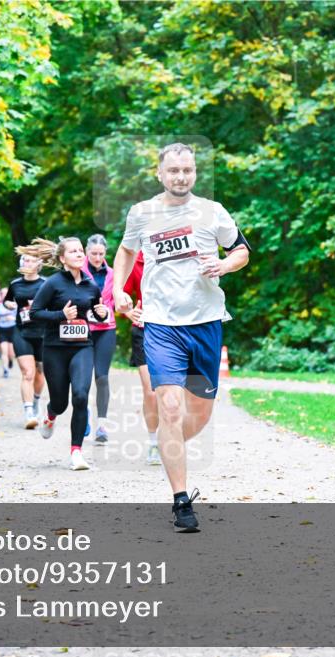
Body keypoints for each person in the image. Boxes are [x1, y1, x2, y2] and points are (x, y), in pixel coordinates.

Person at [112, 142, 251, 533]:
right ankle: (180, 500)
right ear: (160, 173)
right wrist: (119, 290)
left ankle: (169, 444)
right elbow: (124, 252)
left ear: (194, 172)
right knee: (169, 407)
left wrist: (224, 263)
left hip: (206, 322)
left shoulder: (212, 211)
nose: (180, 177)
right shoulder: (142, 213)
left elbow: (241, 251)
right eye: (173, 171)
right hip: (160, 325)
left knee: (199, 414)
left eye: (187, 170)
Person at [22, 237, 110, 471]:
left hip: (82, 346)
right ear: (62, 258)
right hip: (54, 349)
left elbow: (97, 313)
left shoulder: (91, 286)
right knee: (60, 403)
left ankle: (76, 453)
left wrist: (101, 313)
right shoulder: (52, 283)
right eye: (74, 251)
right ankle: (50, 415)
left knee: (81, 396)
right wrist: (61, 315)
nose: (80, 254)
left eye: (81, 250)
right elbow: (35, 313)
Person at [122, 250, 161, 465]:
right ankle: (154, 443)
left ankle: (172, 435)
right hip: (144, 329)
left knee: (174, 391)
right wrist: (128, 313)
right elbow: (120, 295)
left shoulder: (178, 252)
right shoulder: (135, 260)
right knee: (151, 392)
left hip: (174, 328)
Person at [82, 234, 117, 444]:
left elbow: (117, 298)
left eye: (101, 254)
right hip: (83, 330)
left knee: (102, 377)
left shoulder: (114, 273)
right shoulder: (77, 272)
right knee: (82, 377)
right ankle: (83, 415)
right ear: (87, 252)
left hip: (106, 329)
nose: (97, 257)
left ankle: (102, 425)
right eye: (93, 253)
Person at [4, 254, 47, 427]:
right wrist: (10, 305)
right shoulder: (15, 284)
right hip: (22, 331)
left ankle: (36, 401)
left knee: (40, 373)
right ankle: (29, 412)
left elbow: (57, 302)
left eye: (31, 260)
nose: (27, 263)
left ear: (39, 264)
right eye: (25, 260)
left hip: (43, 333)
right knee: (27, 372)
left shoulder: (46, 283)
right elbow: (7, 300)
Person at [0, 288, 16, 378]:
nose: (5, 295)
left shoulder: (15, 305)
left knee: (11, 353)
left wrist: (13, 318)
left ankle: (10, 360)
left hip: (13, 330)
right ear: (1, 295)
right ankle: (5, 369)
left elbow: (20, 318)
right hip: (2, 330)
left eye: (7, 293)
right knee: (4, 351)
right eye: (3, 294)